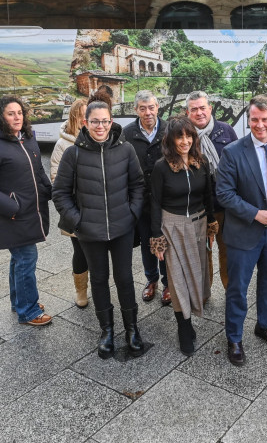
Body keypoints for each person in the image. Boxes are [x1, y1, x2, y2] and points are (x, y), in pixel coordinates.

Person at [53, 93, 146, 359]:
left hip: (121, 228)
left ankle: (132, 329)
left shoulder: (125, 150)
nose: (100, 127)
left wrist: (131, 215)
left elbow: (137, 185)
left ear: (111, 121)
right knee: (99, 279)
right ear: (85, 122)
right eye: (95, 122)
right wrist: (78, 221)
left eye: (105, 121)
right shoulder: (73, 154)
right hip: (90, 231)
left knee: (125, 278)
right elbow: (60, 193)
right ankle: (106, 330)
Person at [216, 96, 267, 367]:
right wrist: (255, 214)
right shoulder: (233, 151)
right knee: (238, 288)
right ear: (248, 120)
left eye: (265, 119)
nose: (259, 125)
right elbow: (224, 193)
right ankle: (234, 338)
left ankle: (264, 325)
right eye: (254, 120)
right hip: (244, 233)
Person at [0, 95, 53, 327]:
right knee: (26, 258)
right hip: (14, 215)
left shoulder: (27, 139)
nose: (17, 117)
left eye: (19, 113)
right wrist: (12, 207)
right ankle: (28, 311)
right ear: (0, 116)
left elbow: (38, 171)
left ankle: (20, 300)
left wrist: (49, 190)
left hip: (31, 210)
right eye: (11, 113)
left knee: (19, 259)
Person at [149, 116, 217, 356]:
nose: (185, 141)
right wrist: (156, 238)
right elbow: (155, 202)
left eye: (189, 136)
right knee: (177, 279)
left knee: (197, 275)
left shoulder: (202, 162)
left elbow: (209, 194)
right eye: (180, 136)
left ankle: (191, 314)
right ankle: (183, 325)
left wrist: (211, 225)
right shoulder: (162, 166)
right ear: (171, 139)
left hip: (199, 225)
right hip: (173, 226)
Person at [185, 91, 238, 289]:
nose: (199, 113)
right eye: (194, 109)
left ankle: (229, 289)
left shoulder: (226, 131)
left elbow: (238, 166)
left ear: (210, 108)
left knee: (227, 250)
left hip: (224, 205)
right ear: (188, 112)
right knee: (201, 252)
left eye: (202, 108)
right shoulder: (183, 135)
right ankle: (204, 291)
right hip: (197, 207)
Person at [123, 91, 169, 305]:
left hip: (167, 199)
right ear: (136, 110)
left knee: (167, 241)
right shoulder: (127, 133)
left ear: (158, 107)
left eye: (151, 107)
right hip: (140, 199)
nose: (148, 112)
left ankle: (169, 282)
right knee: (145, 242)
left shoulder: (169, 129)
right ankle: (151, 281)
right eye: (143, 108)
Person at [49, 99, 89, 308]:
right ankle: (81, 291)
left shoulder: (98, 138)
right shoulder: (63, 145)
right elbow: (56, 179)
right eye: (82, 116)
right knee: (80, 251)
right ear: (75, 117)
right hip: (75, 209)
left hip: (97, 209)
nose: (86, 120)